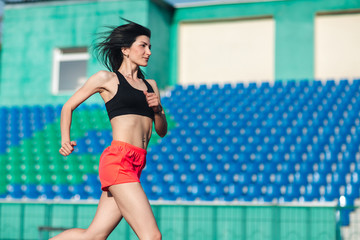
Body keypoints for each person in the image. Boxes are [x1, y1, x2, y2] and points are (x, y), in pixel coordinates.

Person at [51, 19, 167, 240]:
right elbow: (68, 106)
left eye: (150, 47)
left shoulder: (151, 85)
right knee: (152, 236)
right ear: (125, 49)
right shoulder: (107, 78)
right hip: (119, 160)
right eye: (143, 45)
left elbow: (161, 131)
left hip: (138, 161)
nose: (148, 51)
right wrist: (65, 139)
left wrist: (158, 110)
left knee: (93, 236)